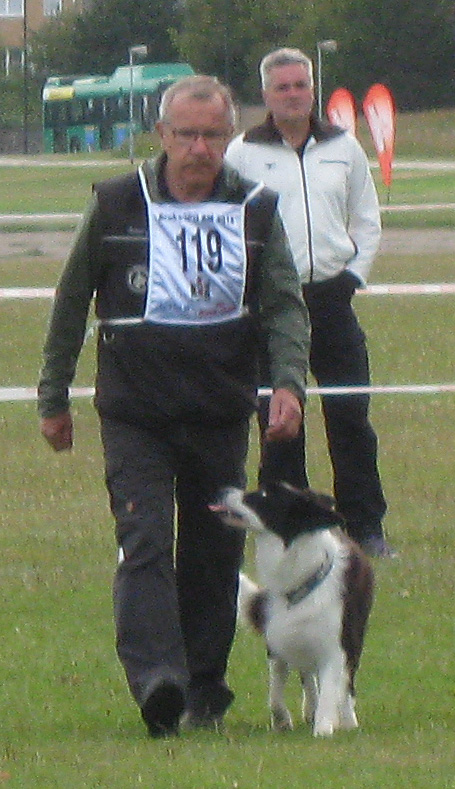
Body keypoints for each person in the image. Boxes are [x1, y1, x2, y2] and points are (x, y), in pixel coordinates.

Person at [37, 75, 309, 737]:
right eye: (186, 134)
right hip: (136, 411)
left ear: (229, 137)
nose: (199, 149)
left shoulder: (256, 210)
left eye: (213, 135)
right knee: (146, 542)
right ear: (162, 135)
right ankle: (159, 681)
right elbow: (71, 301)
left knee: (214, 553)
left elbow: (282, 306)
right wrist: (54, 395)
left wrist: (287, 383)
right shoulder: (114, 205)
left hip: (218, 409)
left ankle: (204, 684)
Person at [226, 48, 395, 558]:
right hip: (274, 309)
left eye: (301, 85)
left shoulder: (344, 147)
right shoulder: (242, 154)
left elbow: (366, 219)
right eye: (283, 87)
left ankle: (364, 527)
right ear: (266, 94)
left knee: (351, 418)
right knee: (280, 422)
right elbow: (228, 223)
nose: (293, 94)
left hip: (332, 302)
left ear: (313, 89)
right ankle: (289, 527)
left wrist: (353, 277)